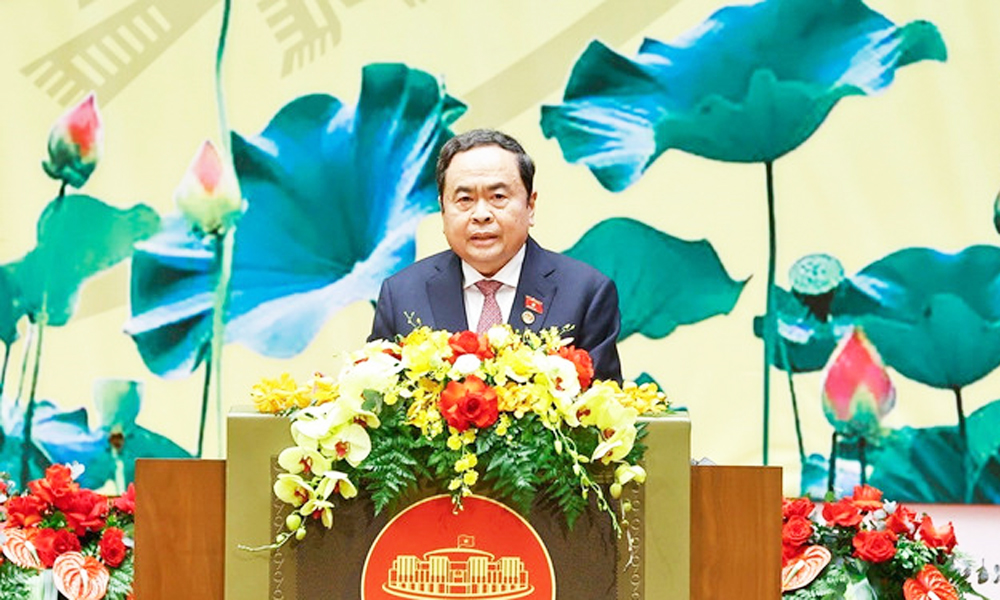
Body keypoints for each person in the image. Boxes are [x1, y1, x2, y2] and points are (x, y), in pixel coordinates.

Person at [369, 128, 622, 382]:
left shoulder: (586, 293)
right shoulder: (401, 295)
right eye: (465, 199)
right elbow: (376, 396)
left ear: (530, 205)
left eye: (498, 197)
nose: (481, 215)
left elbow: (603, 401)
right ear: (443, 210)